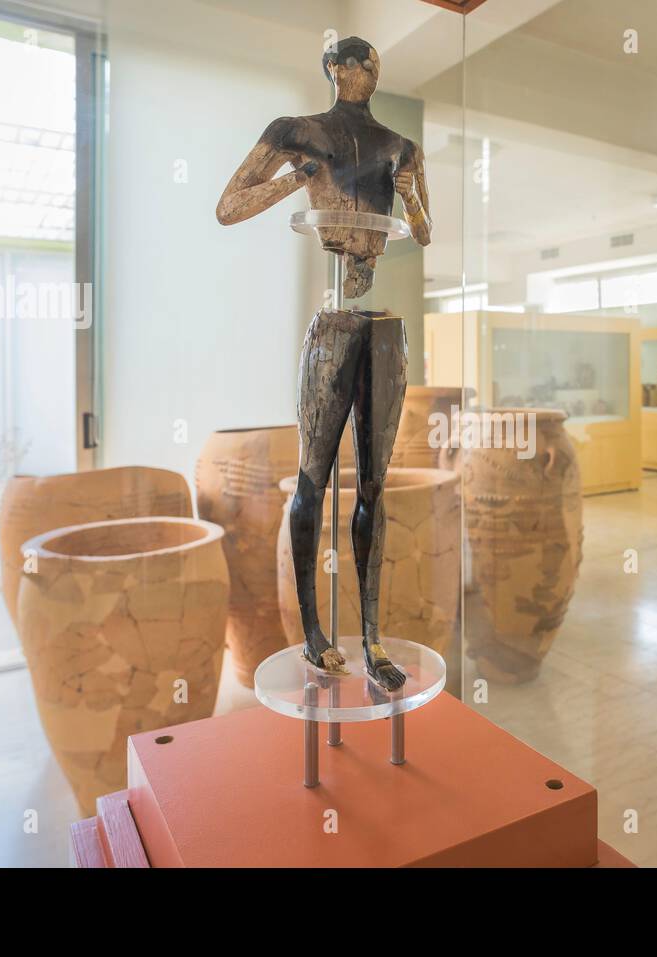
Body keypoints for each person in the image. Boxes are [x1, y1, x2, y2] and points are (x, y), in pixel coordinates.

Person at [215, 37, 431, 691]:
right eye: (342, 65)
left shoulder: (401, 147)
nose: (353, 73)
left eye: (362, 64)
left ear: (374, 72)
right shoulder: (296, 132)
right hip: (333, 324)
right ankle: (313, 634)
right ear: (330, 73)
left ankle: (369, 639)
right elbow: (229, 206)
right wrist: (296, 177)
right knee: (311, 478)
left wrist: (409, 198)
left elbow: (421, 231)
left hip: (382, 327)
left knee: (372, 486)